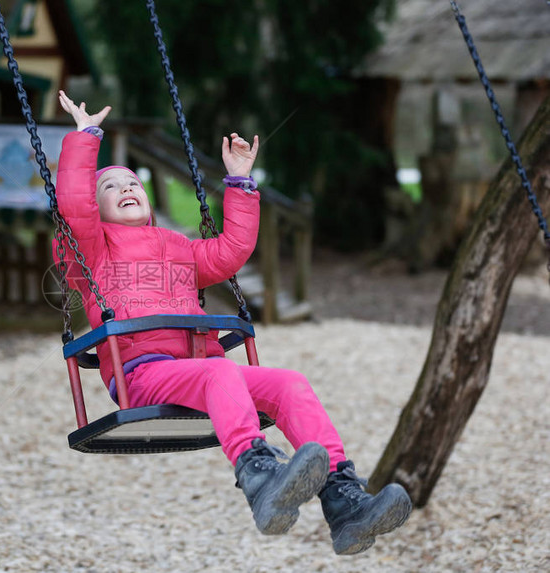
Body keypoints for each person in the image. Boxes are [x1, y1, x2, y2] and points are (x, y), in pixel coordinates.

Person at [55, 90, 412, 555]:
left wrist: (240, 183)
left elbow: (229, 253)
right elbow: (74, 206)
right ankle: (259, 475)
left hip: (200, 371)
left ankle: (344, 502)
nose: (126, 189)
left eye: (134, 183)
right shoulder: (91, 250)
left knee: (288, 384)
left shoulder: (177, 245)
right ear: (95, 208)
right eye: (110, 187)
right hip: (142, 374)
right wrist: (85, 139)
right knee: (220, 371)